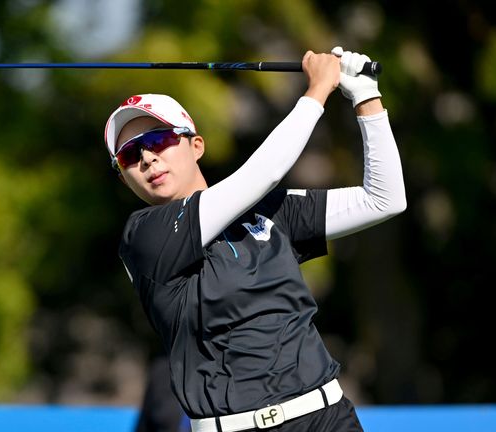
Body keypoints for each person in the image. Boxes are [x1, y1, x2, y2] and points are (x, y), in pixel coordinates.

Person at [104, 47, 406, 432]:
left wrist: (365, 96)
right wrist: (316, 93)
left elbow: (384, 198)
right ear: (124, 175)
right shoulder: (143, 235)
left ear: (196, 145)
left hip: (326, 418)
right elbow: (263, 173)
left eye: (159, 139)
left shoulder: (269, 210)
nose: (147, 158)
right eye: (129, 154)